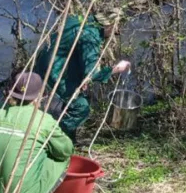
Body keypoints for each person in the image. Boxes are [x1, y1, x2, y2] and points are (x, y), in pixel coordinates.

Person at [34, 8, 132, 140]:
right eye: (116, 29)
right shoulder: (90, 36)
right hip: (55, 75)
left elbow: (70, 52)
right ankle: (53, 138)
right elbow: (93, 74)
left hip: (40, 69)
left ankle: (58, 135)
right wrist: (116, 69)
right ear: (110, 25)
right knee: (81, 107)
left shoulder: (77, 20)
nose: (116, 33)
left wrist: (81, 78)